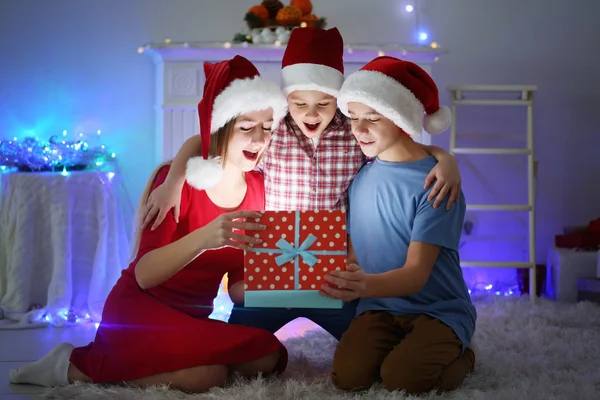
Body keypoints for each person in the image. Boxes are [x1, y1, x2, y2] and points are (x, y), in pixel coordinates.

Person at [141, 28, 463, 342]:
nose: (311, 113)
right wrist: (173, 181)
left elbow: (396, 143)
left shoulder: (353, 132)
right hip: (274, 264)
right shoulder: (271, 130)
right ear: (285, 99)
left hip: (332, 265)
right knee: (237, 351)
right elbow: (208, 139)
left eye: (323, 104)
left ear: (336, 101)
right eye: (299, 104)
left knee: (365, 347)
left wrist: (443, 158)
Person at [8, 55, 290, 393]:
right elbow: (143, 273)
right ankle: (75, 368)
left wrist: (292, 282)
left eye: (268, 128)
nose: (259, 140)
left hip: (190, 322)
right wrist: (204, 238)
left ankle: (154, 359)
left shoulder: (259, 188)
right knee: (208, 376)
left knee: (269, 354)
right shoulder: (175, 183)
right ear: (220, 125)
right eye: (247, 128)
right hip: (139, 311)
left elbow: (238, 288)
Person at [320, 56, 477, 395]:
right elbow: (355, 254)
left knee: (403, 379)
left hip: (438, 310)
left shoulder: (437, 185)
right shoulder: (359, 179)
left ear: (402, 118)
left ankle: (465, 357)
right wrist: (342, 277)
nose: (359, 129)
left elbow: (416, 274)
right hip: (379, 309)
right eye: (354, 118)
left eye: (372, 118)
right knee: (349, 377)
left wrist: (361, 286)